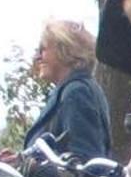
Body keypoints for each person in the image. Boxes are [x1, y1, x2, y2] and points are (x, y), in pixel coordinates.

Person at [23, 18, 112, 161]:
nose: (37, 57)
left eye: (43, 49)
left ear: (65, 50)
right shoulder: (72, 90)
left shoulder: (77, 93)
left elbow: (82, 164)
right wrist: (20, 159)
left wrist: (32, 167)